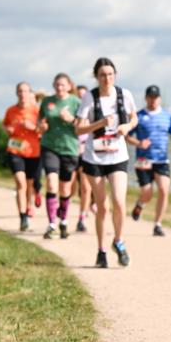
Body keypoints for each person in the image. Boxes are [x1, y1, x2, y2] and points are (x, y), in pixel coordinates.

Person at [74, 57, 137, 268]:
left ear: (115, 75)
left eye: (110, 74)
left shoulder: (124, 94)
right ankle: (101, 250)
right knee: (102, 206)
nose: (107, 78)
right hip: (95, 158)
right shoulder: (89, 99)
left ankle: (118, 241)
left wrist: (126, 128)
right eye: (102, 75)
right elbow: (79, 129)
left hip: (118, 156)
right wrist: (100, 123)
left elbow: (133, 117)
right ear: (96, 76)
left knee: (119, 201)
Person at [128, 85, 171, 236]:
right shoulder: (138, 116)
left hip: (161, 160)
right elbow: (127, 136)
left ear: (159, 99)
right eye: (150, 97)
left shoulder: (167, 116)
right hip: (143, 160)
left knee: (164, 190)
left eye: (155, 97)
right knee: (147, 192)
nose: (153, 100)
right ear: (146, 98)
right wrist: (138, 143)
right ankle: (140, 205)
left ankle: (158, 224)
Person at [38, 73, 82, 239]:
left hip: (69, 148)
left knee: (65, 188)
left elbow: (83, 126)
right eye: (56, 84)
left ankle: (63, 220)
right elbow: (40, 124)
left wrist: (71, 119)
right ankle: (51, 224)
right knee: (51, 183)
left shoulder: (76, 102)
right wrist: (41, 126)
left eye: (63, 85)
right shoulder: (47, 102)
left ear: (69, 86)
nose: (59, 87)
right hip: (50, 146)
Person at [3, 82, 42, 231]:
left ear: (29, 93)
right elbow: (5, 124)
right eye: (20, 91)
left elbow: (43, 130)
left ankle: (28, 206)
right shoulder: (10, 110)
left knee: (29, 186)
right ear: (16, 93)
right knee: (21, 183)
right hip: (15, 150)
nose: (22, 94)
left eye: (25, 91)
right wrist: (9, 128)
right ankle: (23, 217)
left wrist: (32, 127)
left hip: (33, 152)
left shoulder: (37, 111)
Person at [74, 84, 93, 233]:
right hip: (70, 152)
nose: (81, 98)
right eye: (79, 96)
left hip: (86, 152)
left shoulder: (93, 113)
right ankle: (62, 210)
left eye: (83, 96)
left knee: (86, 187)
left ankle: (81, 218)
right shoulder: (72, 112)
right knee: (71, 186)